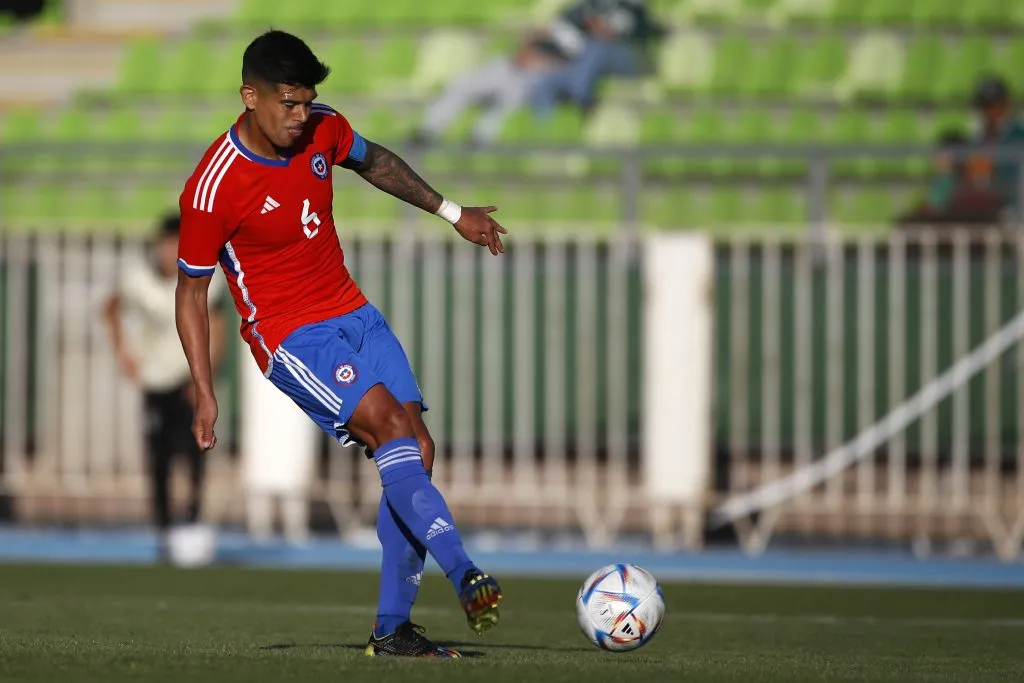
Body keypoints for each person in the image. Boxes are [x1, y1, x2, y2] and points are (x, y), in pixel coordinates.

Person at [174, 30, 507, 658]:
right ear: (250, 96)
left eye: (308, 103)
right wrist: (203, 389)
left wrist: (453, 211)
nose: (302, 118)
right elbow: (191, 294)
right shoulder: (212, 186)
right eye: (288, 104)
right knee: (387, 424)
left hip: (353, 310)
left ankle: (393, 629)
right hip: (290, 334)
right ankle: (465, 571)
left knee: (418, 444)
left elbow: (374, 160)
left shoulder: (323, 128)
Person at [103, 213, 225, 561]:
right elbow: (110, 308)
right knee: (159, 458)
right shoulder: (138, 281)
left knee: (196, 455)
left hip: (189, 383)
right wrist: (123, 351)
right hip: (156, 381)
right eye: (165, 244)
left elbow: (217, 330)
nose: (169, 251)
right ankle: (164, 530)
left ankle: (192, 524)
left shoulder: (203, 281)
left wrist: (203, 384)